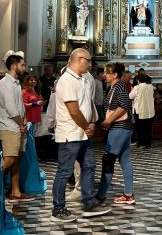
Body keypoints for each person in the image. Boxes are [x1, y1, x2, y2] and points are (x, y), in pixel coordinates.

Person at [51, 48, 111, 222]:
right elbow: (74, 111)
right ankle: (58, 208)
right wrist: (87, 126)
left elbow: (87, 105)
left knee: (89, 165)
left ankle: (88, 202)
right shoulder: (67, 81)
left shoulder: (83, 79)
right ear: (79, 59)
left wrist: (92, 122)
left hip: (83, 134)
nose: (90, 64)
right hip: (71, 134)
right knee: (64, 171)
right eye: (88, 61)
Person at [97, 62, 136, 205]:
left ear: (115, 75)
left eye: (107, 73)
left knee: (108, 160)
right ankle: (128, 194)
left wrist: (108, 121)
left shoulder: (118, 86)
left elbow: (124, 106)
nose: (104, 75)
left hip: (119, 128)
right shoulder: (114, 87)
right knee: (125, 160)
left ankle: (100, 195)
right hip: (123, 127)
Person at [0, 54, 32, 203]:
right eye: (22, 65)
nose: (24, 68)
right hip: (8, 126)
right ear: (14, 66)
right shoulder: (5, 83)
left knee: (16, 159)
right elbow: (11, 108)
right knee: (9, 159)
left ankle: (15, 191)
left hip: (17, 126)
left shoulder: (16, 83)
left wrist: (23, 121)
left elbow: (20, 106)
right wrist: (21, 124)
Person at [130, 72, 155, 148]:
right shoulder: (150, 86)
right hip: (149, 110)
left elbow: (130, 96)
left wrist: (132, 90)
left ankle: (141, 143)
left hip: (139, 110)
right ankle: (148, 143)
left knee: (140, 128)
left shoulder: (137, 87)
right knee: (148, 127)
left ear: (138, 80)